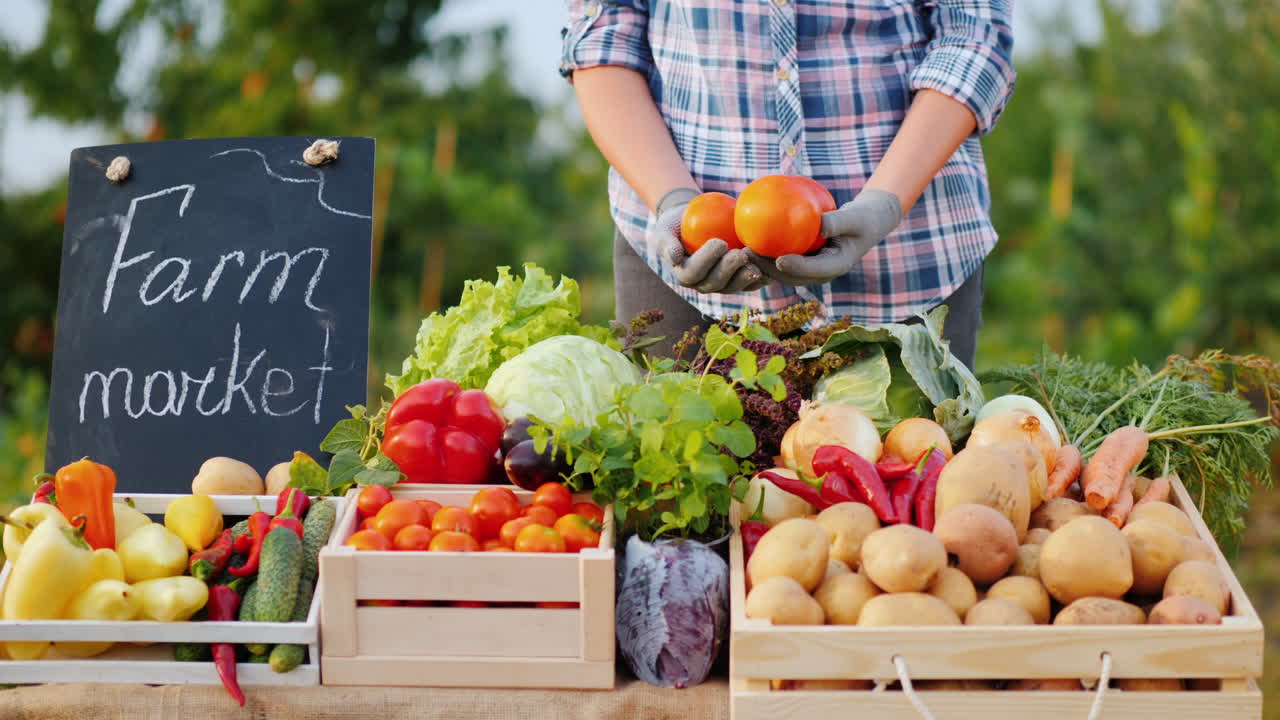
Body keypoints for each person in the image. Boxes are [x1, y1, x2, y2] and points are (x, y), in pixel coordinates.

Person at [560, 0, 1015, 370]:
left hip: (909, 261)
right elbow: (603, 35)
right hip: (681, 275)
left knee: (914, 469)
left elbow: (973, 36)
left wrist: (886, 203)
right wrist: (673, 199)